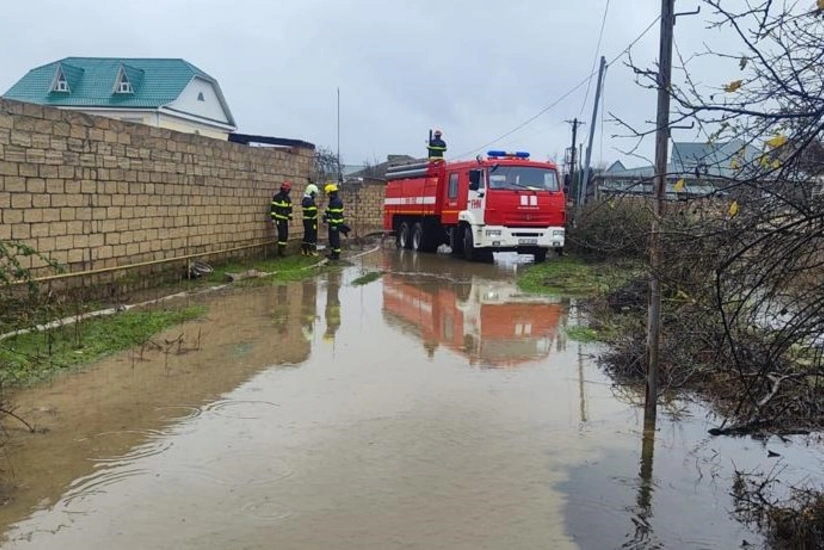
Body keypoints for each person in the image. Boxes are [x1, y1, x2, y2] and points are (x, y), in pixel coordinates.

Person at [322, 182, 345, 261]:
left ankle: (336, 255)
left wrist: (328, 220)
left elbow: (335, 216)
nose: (328, 195)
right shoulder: (334, 201)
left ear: (331, 193)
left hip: (335, 224)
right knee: (332, 239)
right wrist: (325, 215)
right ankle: (333, 253)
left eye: (328, 193)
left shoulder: (335, 202)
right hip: (333, 223)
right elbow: (329, 210)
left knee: (334, 239)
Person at [270, 181, 293, 256]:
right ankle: (280, 251)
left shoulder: (288, 198)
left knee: (285, 235)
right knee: (282, 234)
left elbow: (289, 210)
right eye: (287, 189)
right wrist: (273, 219)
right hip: (278, 219)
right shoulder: (277, 197)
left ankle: (283, 249)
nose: (288, 191)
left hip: (285, 219)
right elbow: (273, 208)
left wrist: (290, 219)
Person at [301, 183, 320, 256]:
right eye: (314, 194)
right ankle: (311, 250)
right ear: (311, 192)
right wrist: (316, 211)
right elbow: (312, 212)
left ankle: (304, 250)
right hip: (311, 220)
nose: (314, 195)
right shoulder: (309, 201)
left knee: (307, 234)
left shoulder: (305, 200)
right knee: (312, 235)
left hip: (307, 220)